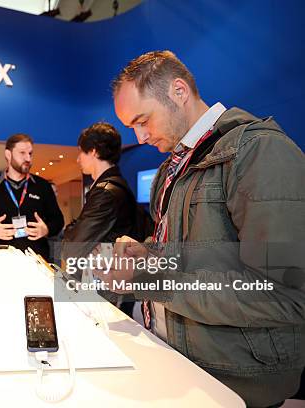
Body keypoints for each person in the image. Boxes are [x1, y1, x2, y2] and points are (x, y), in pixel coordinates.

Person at [107, 50, 305, 407]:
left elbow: (285, 294)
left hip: (231, 384)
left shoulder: (259, 151)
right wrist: (149, 252)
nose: (139, 137)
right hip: (176, 364)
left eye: (143, 120)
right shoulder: (170, 170)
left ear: (179, 91)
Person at [61, 122, 138, 317]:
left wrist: (74, 231)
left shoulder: (105, 192)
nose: (78, 159)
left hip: (107, 292)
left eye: (81, 152)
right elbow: (79, 234)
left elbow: (73, 248)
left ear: (93, 152)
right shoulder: (111, 186)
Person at [0, 133, 64, 261]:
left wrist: (47, 229)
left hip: (37, 260)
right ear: (8, 155)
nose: (28, 158)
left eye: (30, 154)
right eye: (22, 153)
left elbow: (58, 220)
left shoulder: (43, 186)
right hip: (1, 260)